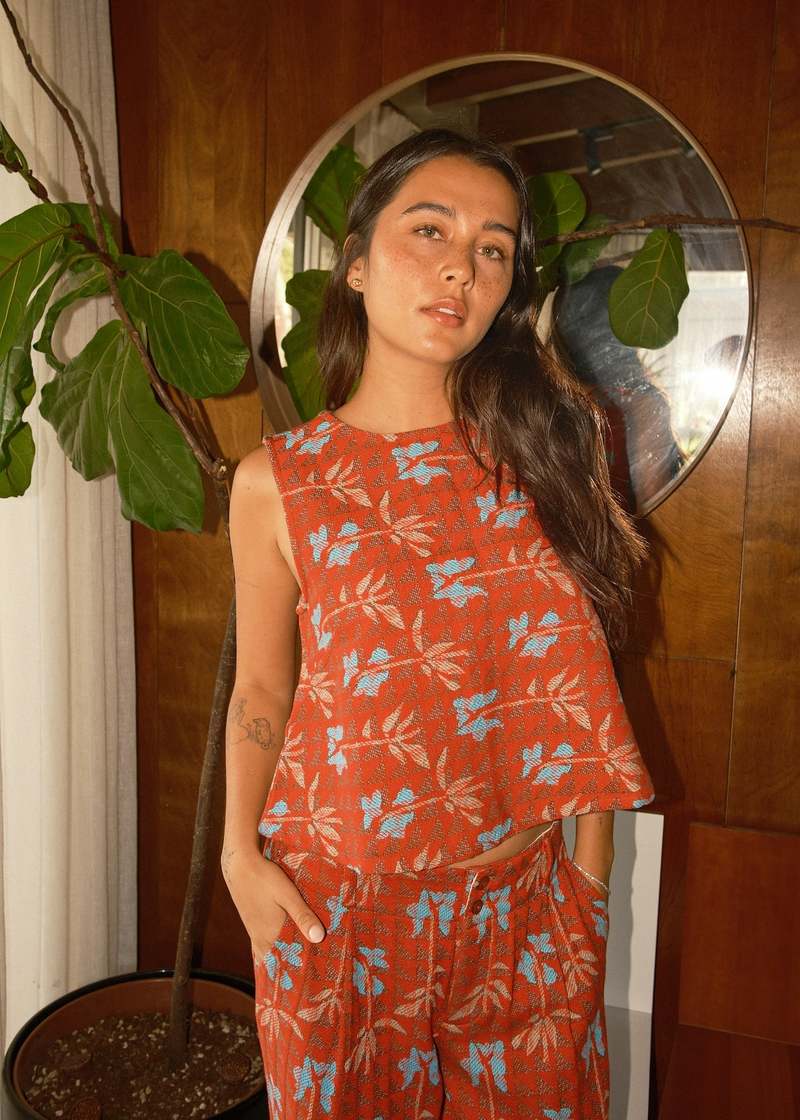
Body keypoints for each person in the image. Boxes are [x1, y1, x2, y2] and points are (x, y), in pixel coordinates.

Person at [223, 128, 655, 1119]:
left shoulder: (556, 447)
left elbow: (585, 673)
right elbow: (263, 686)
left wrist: (588, 882)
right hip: (335, 914)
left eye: (492, 247)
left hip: (526, 908)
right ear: (357, 263)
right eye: (430, 229)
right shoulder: (277, 482)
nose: (462, 264)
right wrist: (239, 858)